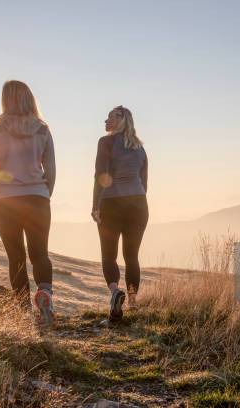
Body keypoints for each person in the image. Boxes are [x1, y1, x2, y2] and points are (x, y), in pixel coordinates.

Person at [0, 80, 56, 327]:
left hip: (4, 202)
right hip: (37, 200)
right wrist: (44, 194)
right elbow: (51, 170)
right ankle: (45, 297)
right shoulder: (43, 130)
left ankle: (22, 311)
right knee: (40, 254)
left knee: (16, 257)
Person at [92, 106, 148, 322]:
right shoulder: (140, 148)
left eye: (110, 116)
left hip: (111, 203)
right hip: (139, 204)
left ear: (121, 119)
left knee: (109, 255)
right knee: (132, 256)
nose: (105, 120)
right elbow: (145, 182)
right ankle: (133, 303)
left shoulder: (105, 142)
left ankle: (116, 292)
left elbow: (101, 175)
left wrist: (96, 205)